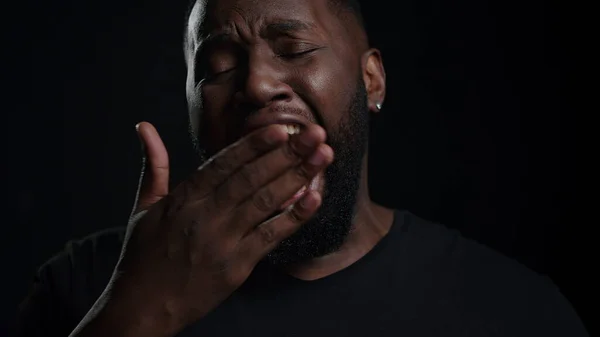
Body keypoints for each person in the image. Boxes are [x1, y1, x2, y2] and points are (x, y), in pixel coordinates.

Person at [15, 0, 589, 336]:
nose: (258, 84)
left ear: (372, 80)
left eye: (293, 49)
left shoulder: (513, 311)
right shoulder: (84, 288)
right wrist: (132, 317)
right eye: (216, 65)